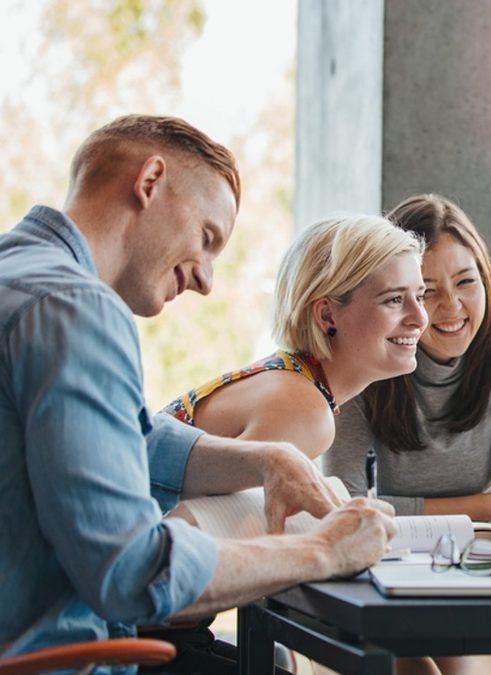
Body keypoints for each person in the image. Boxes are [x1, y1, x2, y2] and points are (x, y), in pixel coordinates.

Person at [0, 115, 399, 670]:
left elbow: (127, 439)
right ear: (150, 182)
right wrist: (321, 549)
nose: (207, 279)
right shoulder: (76, 310)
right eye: (207, 238)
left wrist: (268, 459)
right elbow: (132, 574)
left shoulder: (18, 276)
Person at [323, 194, 491, 675]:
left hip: (478, 568)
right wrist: (488, 504)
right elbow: (344, 509)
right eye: (426, 291)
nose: (451, 307)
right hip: (380, 571)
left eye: (466, 282)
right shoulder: (365, 362)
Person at [162, 213, 428, 462]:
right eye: (394, 299)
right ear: (326, 315)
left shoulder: (294, 381)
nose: (420, 318)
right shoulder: (304, 412)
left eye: (420, 297)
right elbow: (186, 510)